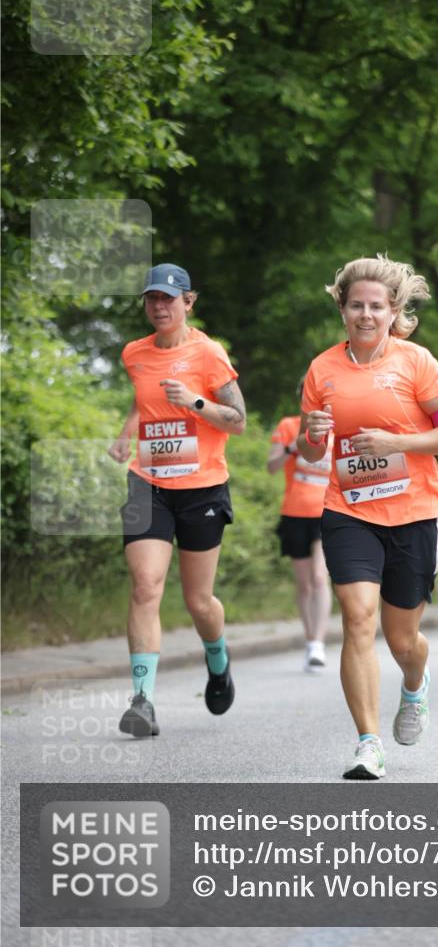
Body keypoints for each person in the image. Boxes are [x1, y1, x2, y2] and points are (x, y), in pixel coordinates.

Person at [299, 254, 438, 780]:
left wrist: (397, 441)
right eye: (356, 306)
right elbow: (308, 454)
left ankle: (414, 685)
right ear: (342, 310)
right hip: (347, 510)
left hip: (415, 512)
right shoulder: (322, 369)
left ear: (394, 311)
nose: (366, 315)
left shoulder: (417, 363)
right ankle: (368, 744)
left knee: (402, 641)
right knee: (356, 617)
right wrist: (312, 435)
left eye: (376, 306)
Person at [108, 263, 246, 736]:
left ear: (189, 302)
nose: (159, 307)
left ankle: (217, 656)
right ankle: (143, 700)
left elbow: (238, 419)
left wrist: (194, 402)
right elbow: (141, 400)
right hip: (148, 481)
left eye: (169, 298)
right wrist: (126, 434)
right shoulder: (135, 353)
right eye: (152, 299)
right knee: (146, 584)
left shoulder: (209, 354)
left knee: (198, 600)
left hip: (202, 488)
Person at [267, 379, 333, 672]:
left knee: (321, 577)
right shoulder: (288, 425)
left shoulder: (336, 428)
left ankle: (319, 643)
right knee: (304, 584)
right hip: (295, 511)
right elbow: (271, 466)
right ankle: (309, 641)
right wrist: (293, 448)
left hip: (327, 512)